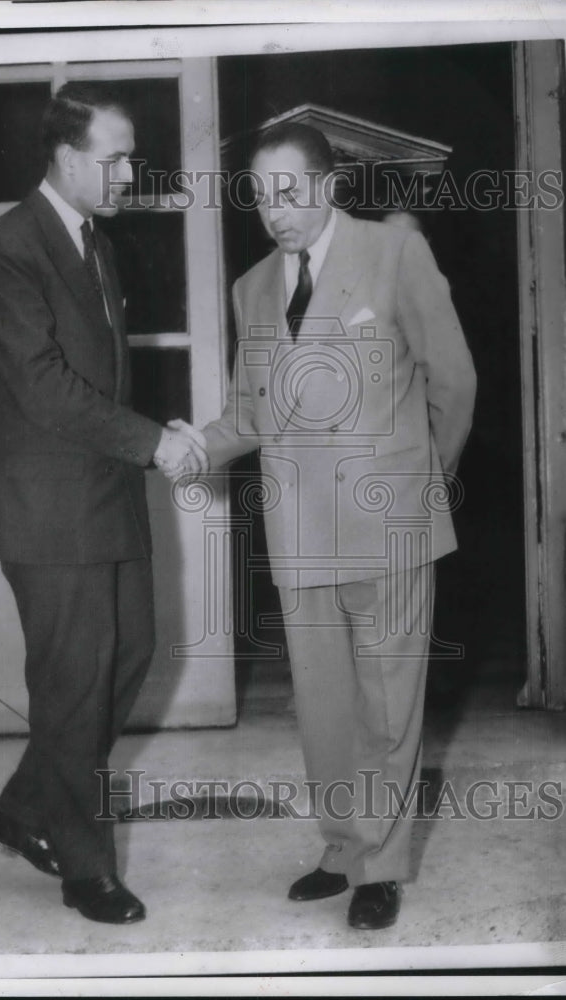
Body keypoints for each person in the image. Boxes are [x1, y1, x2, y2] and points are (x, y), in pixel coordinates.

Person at [194, 123, 476, 929]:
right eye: (258, 197)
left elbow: (452, 381)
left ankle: (382, 867)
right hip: (297, 528)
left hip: (388, 523)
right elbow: (246, 412)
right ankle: (341, 846)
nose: (273, 212)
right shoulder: (252, 288)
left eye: (287, 193)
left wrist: (423, 481)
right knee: (321, 703)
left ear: (327, 186)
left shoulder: (392, 257)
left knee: (389, 703)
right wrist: (181, 448)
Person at [0, 82, 206, 925]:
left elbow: (97, 377)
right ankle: (84, 868)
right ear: (68, 160)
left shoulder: (93, 241)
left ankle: (21, 812)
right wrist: (152, 442)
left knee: (128, 656)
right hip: (49, 513)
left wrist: (150, 429)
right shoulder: (9, 246)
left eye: (132, 153)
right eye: (116, 156)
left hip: (104, 498)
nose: (129, 170)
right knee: (72, 687)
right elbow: (43, 388)